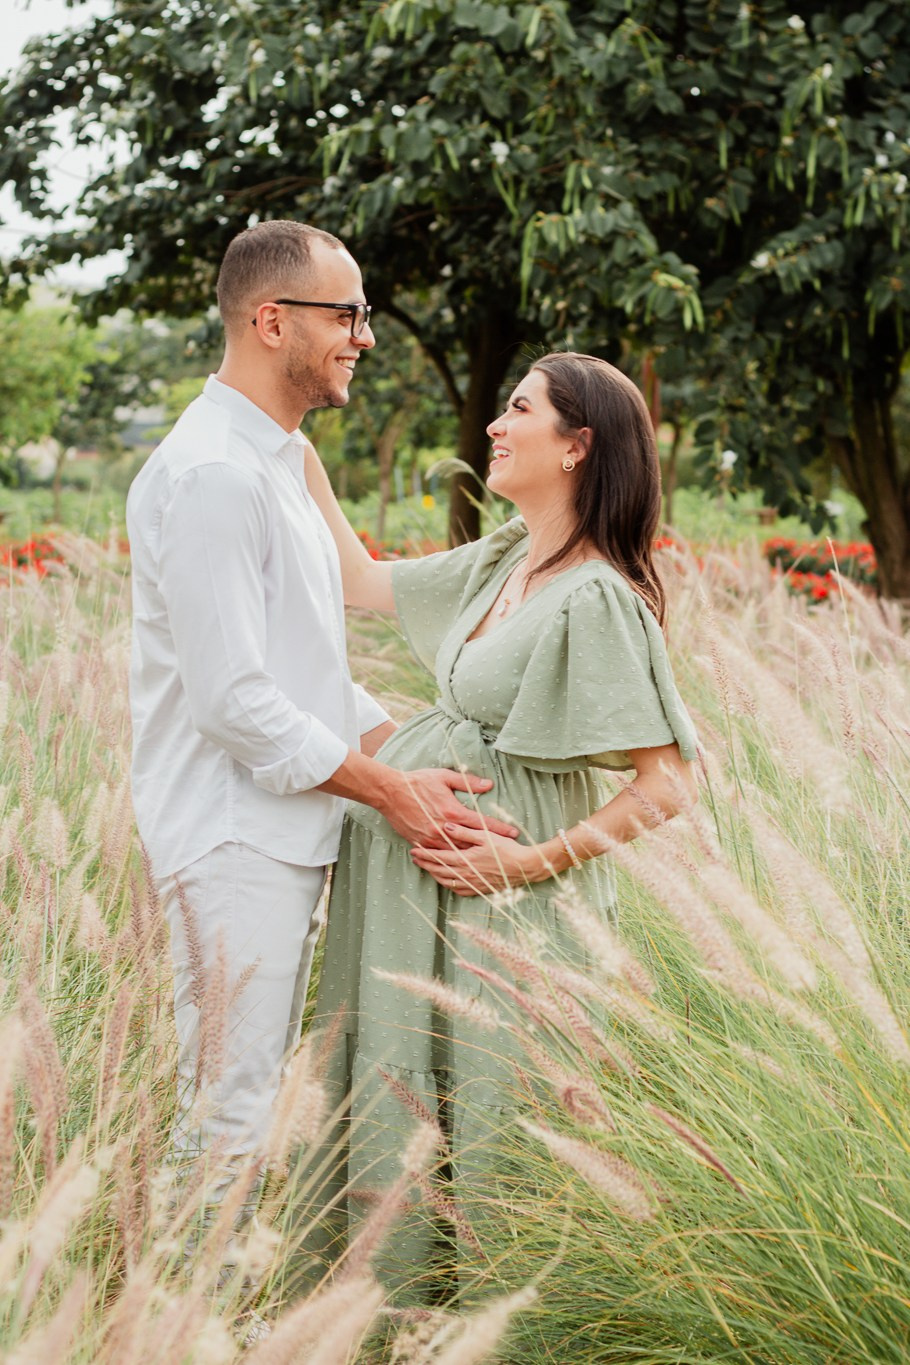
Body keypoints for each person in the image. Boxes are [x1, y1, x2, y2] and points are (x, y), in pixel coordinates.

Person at [126, 220, 517, 1230]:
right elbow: (231, 698)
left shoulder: (279, 461)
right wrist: (394, 792)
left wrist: (409, 752)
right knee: (231, 1116)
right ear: (270, 321)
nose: (365, 336)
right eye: (345, 314)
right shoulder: (216, 475)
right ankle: (183, 1325)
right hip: (231, 836)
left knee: (245, 1109)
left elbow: (301, 666)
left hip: (281, 829)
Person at [299, 351, 699, 1297]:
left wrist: (527, 866)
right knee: (400, 1095)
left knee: (491, 1109)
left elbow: (667, 784)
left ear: (577, 445)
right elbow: (356, 577)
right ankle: (388, 1321)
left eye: (519, 409)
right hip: (411, 907)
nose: (494, 424)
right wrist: (282, 433)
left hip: (501, 921)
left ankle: (498, 1326)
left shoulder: (596, 593)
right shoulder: (502, 558)